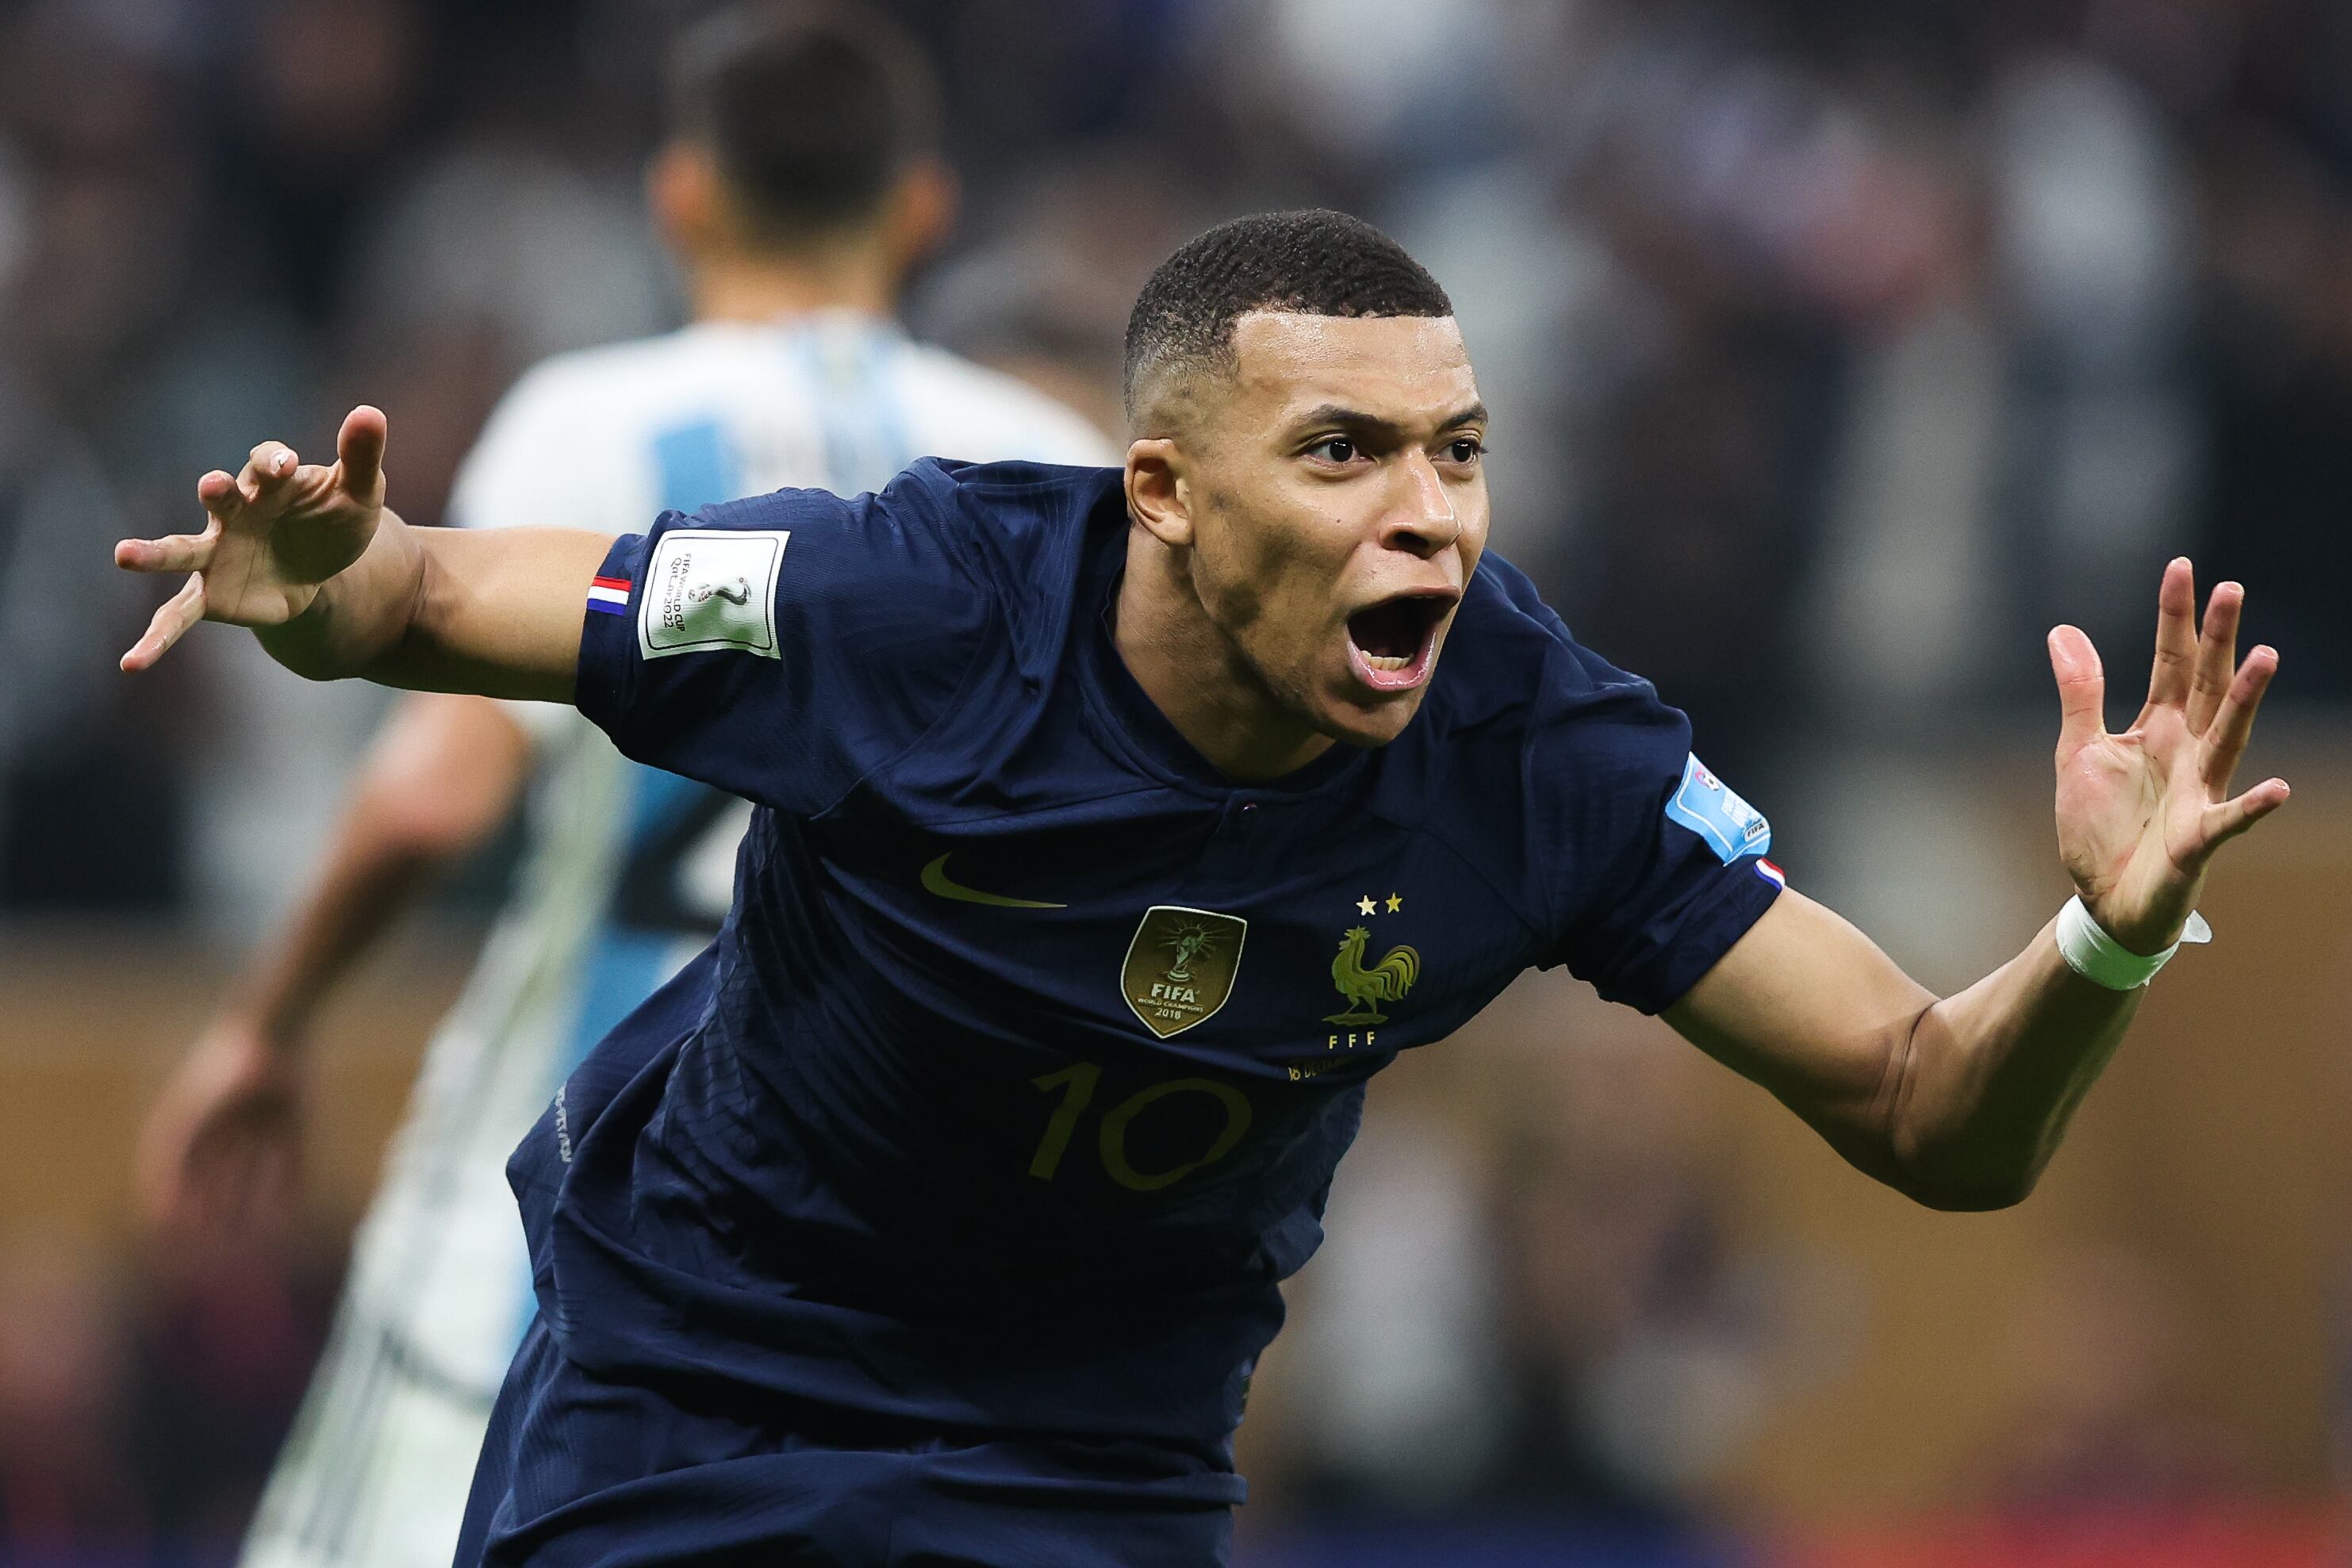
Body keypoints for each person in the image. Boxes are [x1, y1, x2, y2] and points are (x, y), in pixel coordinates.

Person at [115, 209, 2288, 1566]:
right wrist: (328, 580)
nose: (1424, 515)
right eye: (1339, 454)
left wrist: (2096, 938)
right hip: (707, 1369)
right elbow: (442, 598)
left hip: (1093, 1456)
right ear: (1156, 491)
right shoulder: (911, 601)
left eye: (1453, 451)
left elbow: (1930, 1114)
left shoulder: (1530, 745)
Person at [130, 9, 1112, 1568]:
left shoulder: (594, 422)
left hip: (556, 1226)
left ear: (680, 195)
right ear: (921, 207)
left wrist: (265, 1024)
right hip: (897, 1263)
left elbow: (437, 791)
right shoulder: (1046, 465)